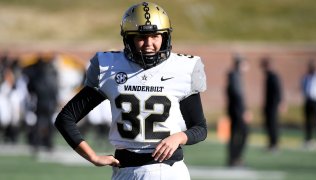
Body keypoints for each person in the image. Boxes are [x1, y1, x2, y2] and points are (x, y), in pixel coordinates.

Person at [55, 2, 207, 180]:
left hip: (167, 170)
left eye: (155, 36)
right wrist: (93, 157)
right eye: (141, 37)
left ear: (165, 37)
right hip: (124, 170)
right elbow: (65, 118)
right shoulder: (109, 67)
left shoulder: (182, 68)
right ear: (128, 39)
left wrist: (179, 137)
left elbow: (200, 128)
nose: (149, 44)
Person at [226, 54, 251, 167]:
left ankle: (234, 159)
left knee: (235, 135)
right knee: (242, 134)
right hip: (237, 112)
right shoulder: (234, 76)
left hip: (235, 111)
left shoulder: (235, 76)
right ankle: (235, 158)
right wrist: (244, 112)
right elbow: (237, 96)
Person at [260, 57, 283, 152]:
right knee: (268, 125)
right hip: (268, 105)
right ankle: (271, 143)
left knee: (273, 125)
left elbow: (278, 91)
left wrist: (280, 103)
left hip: (273, 105)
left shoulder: (274, 76)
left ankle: (275, 144)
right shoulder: (268, 76)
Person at [301, 59, 316, 148]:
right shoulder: (306, 76)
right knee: (307, 120)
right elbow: (303, 86)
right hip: (308, 100)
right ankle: (308, 139)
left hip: (315, 100)